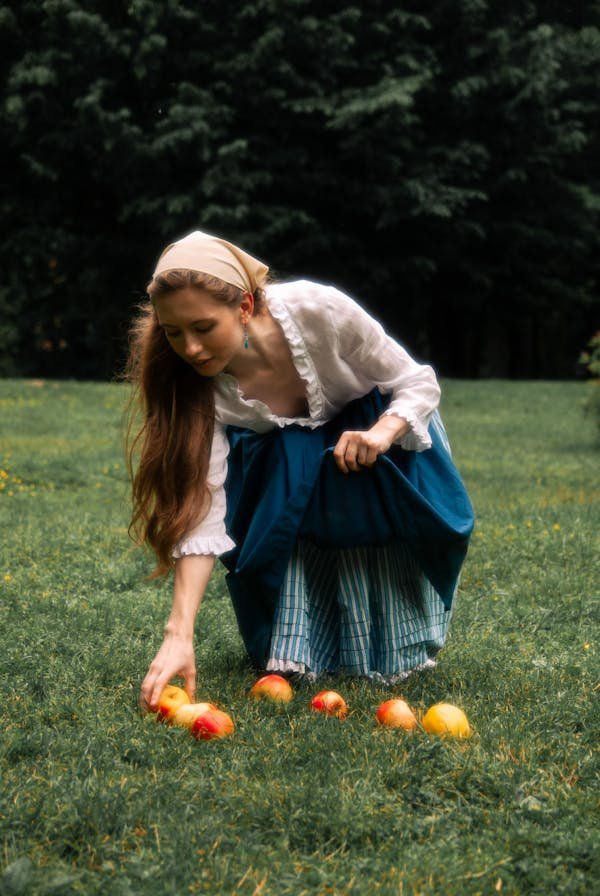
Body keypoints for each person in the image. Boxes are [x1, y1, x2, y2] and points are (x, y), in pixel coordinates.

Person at [128, 230, 474, 712]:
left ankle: (388, 637)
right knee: (291, 466)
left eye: (204, 328)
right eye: (173, 332)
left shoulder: (319, 311)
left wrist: (381, 433)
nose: (190, 348)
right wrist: (178, 633)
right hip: (288, 467)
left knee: (355, 498)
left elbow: (415, 381)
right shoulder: (190, 384)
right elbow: (199, 505)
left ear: (245, 306)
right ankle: (310, 641)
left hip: (379, 442)